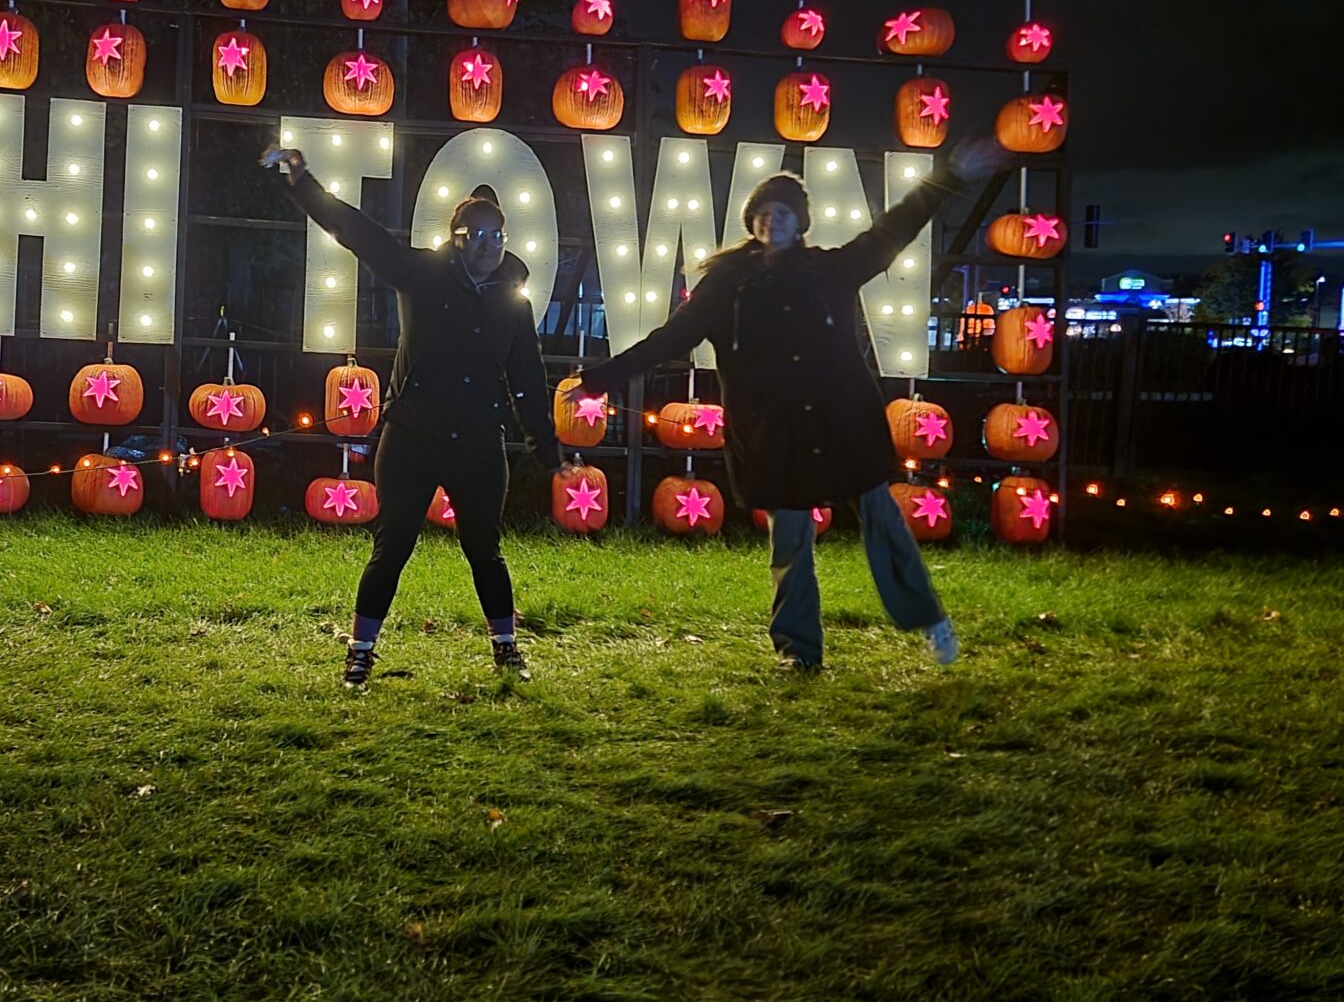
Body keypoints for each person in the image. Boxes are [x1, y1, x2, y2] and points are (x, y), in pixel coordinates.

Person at [578, 136, 1013, 671]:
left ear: (800, 221)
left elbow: (893, 229)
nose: (772, 220)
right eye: (763, 211)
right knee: (790, 542)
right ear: (752, 220)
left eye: (783, 211)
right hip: (772, 431)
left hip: (842, 421)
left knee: (883, 522)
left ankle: (928, 620)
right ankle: (799, 651)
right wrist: (601, 378)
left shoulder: (832, 271)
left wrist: (948, 177)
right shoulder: (725, 288)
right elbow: (670, 340)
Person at [270, 146, 579, 689]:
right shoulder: (422, 275)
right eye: (477, 235)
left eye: (497, 235)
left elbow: (528, 382)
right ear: (457, 240)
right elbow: (358, 233)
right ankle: (360, 652)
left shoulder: (514, 302)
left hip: (479, 443)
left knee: (486, 550)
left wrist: (548, 452)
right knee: (392, 547)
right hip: (412, 434)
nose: (489, 244)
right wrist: (302, 184)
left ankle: (507, 648)